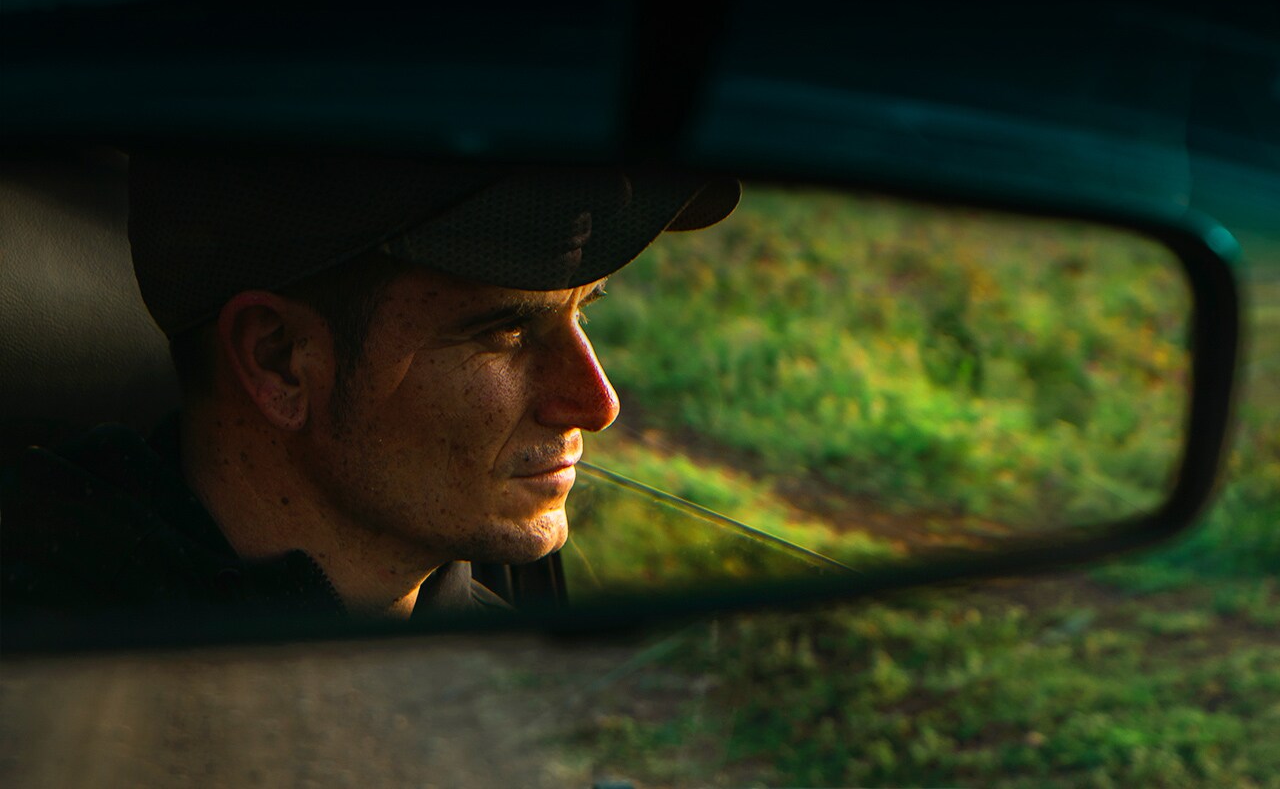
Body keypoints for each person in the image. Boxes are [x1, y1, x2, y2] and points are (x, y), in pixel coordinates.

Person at [0, 153, 737, 628]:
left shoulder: (496, 654)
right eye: (504, 331)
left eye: (586, 311)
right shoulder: (57, 658)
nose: (597, 402)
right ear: (280, 360)